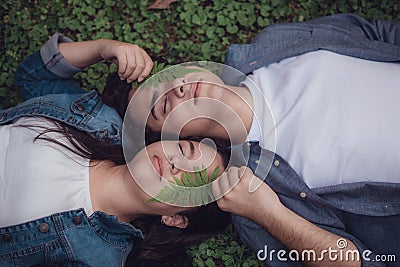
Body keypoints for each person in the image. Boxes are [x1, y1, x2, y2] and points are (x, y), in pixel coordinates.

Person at [125, 13, 400, 266]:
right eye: (161, 106)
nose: (177, 87)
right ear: (181, 138)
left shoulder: (272, 43)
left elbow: (376, 32)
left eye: (166, 76)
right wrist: (269, 214)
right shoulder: (253, 194)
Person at [0, 35, 232, 267]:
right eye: (184, 150)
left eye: (192, 179)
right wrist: (103, 48)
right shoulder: (97, 120)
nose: (176, 163)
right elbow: (31, 78)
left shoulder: (95, 256)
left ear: (174, 219)